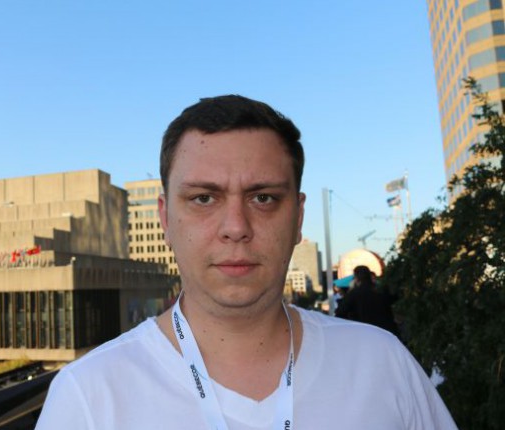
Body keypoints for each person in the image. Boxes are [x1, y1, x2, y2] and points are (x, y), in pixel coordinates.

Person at [36, 95, 456, 429]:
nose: (236, 227)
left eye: (264, 198)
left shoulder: (382, 364)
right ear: (165, 218)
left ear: (298, 218)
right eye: (204, 198)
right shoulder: (87, 397)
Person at [335, 265, 400, 337]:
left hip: (364, 332)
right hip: (386, 330)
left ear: (356, 278)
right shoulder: (382, 290)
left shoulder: (354, 293)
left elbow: (341, 312)